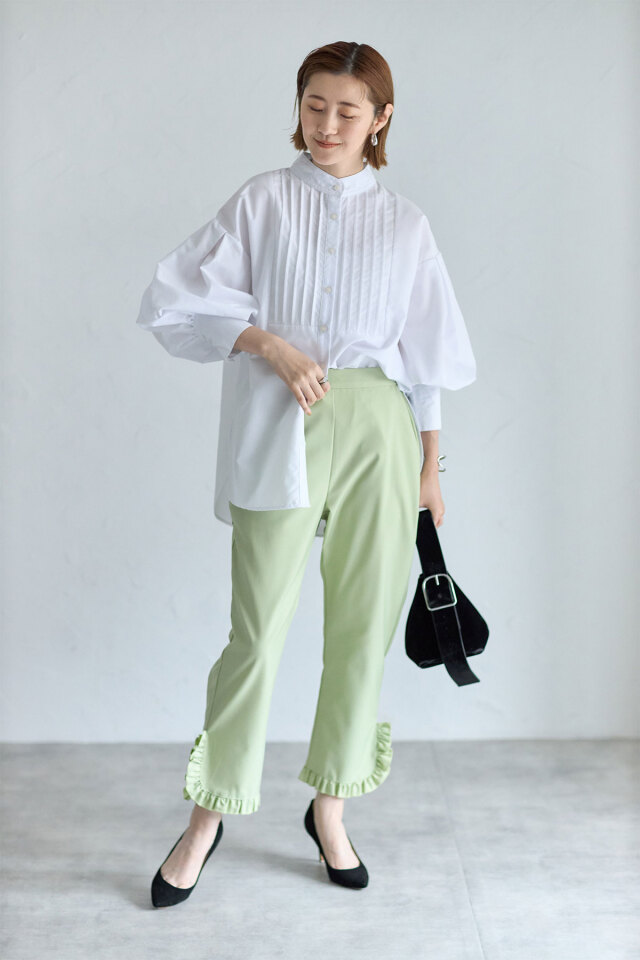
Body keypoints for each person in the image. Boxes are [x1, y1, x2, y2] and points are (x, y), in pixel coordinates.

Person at [136, 41, 476, 906]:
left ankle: (331, 807)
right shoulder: (263, 201)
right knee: (256, 632)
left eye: (347, 111)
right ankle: (208, 816)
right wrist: (269, 344)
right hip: (281, 417)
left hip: (379, 429)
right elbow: (175, 298)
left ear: (381, 119)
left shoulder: (405, 225)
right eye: (314, 105)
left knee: (362, 630)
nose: (326, 125)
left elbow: (426, 356)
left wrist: (431, 466)